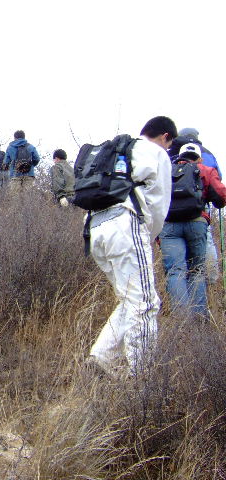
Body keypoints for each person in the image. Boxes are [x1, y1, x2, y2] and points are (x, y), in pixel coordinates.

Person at [86, 116, 177, 378]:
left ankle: (101, 358)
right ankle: (142, 377)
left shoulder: (121, 152)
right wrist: (148, 236)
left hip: (95, 228)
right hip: (126, 226)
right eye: (169, 144)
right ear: (165, 137)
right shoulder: (156, 153)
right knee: (145, 302)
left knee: (130, 299)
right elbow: (159, 204)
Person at [159, 143, 226, 319]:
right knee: (197, 270)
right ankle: (199, 320)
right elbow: (221, 197)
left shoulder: (166, 170)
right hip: (196, 222)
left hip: (169, 224)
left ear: (179, 156)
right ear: (199, 158)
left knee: (175, 271)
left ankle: (181, 320)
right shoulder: (205, 169)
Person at [169, 127, 222, 283]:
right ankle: (211, 280)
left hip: (170, 216)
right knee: (204, 249)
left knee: (174, 269)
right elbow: (217, 180)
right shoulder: (207, 154)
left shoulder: (170, 152)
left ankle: (180, 289)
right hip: (198, 212)